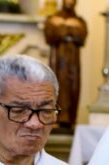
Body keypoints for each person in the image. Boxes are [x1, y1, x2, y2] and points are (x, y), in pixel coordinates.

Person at [43, 0, 87, 132]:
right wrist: (69, 27)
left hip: (73, 60)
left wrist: (62, 26)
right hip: (58, 58)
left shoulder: (80, 20)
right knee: (56, 85)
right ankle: (56, 117)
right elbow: (50, 34)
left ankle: (71, 119)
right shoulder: (52, 18)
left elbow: (82, 36)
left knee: (73, 87)